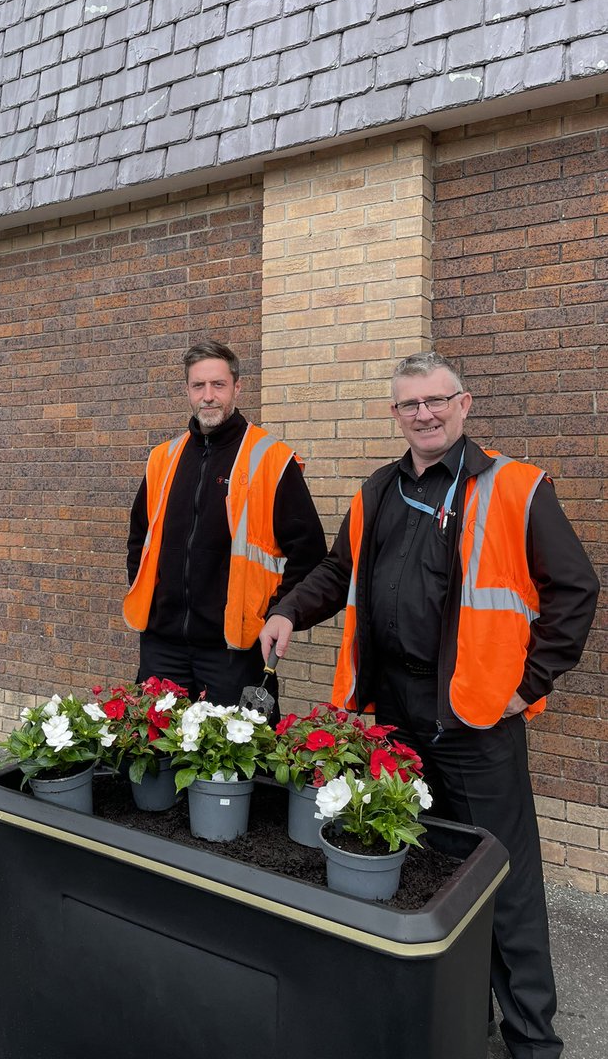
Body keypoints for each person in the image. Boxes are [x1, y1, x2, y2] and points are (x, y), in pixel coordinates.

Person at [259, 351, 598, 1059]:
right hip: (395, 714)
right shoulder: (378, 489)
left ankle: (533, 1042)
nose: (425, 414)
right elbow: (339, 570)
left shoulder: (515, 487)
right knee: (424, 869)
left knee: (504, 884)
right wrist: (289, 609)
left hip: (475, 719)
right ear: (396, 414)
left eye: (437, 400)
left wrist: (529, 685)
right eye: (410, 404)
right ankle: (459, 1022)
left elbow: (575, 589)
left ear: (463, 404)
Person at [124, 339, 327, 719]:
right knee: (154, 748)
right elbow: (139, 538)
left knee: (235, 754)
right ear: (187, 391)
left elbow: (310, 554)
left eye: (218, 385)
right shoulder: (163, 458)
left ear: (237, 387)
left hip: (235, 650)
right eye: (198, 385)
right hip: (162, 646)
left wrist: (277, 613)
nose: (208, 396)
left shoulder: (270, 459)